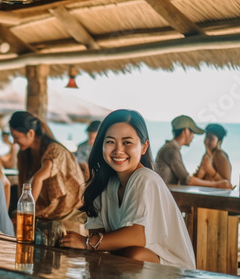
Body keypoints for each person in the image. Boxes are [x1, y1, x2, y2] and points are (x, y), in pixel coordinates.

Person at [59, 109, 196, 269]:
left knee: (132, 255)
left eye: (127, 142)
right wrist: (89, 242)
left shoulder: (145, 178)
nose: (118, 150)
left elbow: (137, 236)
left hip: (175, 271)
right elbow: (98, 238)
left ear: (144, 147)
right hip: (130, 267)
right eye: (110, 141)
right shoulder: (104, 185)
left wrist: (86, 242)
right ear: (101, 145)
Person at [8, 111, 86, 233]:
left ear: (30, 133)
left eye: (16, 137)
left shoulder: (55, 150)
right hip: (45, 214)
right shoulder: (23, 155)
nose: (13, 142)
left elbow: (38, 178)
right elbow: (23, 188)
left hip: (68, 217)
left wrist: (25, 213)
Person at [155, 115, 231, 189]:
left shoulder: (169, 147)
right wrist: (217, 184)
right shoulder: (172, 150)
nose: (193, 136)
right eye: (193, 132)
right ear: (186, 131)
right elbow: (187, 180)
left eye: (211, 138)